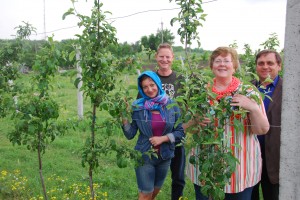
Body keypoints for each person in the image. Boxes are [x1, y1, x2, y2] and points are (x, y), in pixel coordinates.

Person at [185, 47, 270, 200]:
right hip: (205, 164)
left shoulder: (249, 91)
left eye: (227, 61)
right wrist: (196, 121)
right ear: (212, 66)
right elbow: (186, 127)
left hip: (239, 168)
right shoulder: (200, 92)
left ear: (235, 66)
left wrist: (252, 107)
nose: (222, 64)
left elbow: (262, 129)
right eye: (217, 61)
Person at [122, 70, 185, 200]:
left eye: (152, 85)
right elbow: (130, 134)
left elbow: (180, 131)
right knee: (145, 194)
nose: (149, 89)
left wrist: (164, 138)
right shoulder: (138, 107)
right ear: (141, 89)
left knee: (154, 193)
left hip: (165, 156)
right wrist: (124, 118)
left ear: (158, 84)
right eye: (145, 87)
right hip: (144, 156)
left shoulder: (171, 105)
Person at [138, 43, 186, 200]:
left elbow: (187, 105)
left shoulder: (180, 79)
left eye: (167, 56)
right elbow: (140, 105)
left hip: (176, 133)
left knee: (178, 176)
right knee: (152, 180)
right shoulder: (150, 79)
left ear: (172, 58)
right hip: (154, 135)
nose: (164, 59)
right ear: (156, 58)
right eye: (161, 56)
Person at [251, 50, 282, 200]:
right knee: (251, 193)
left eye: (270, 63)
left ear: (279, 66)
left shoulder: (289, 89)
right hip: (250, 153)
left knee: (272, 194)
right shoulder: (248, 88)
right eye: (261, 63)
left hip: (275, 154)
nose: (265, 67)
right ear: (256, 66)